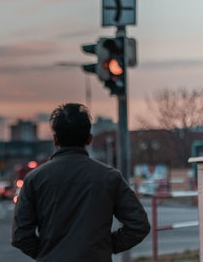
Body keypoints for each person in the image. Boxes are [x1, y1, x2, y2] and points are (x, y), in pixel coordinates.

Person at [11, 103, 150, 262]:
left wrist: (47, 254)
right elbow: (139, 225)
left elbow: (20, 236)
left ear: (55, 139)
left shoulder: (34, 180)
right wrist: (104, 248)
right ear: (89, 139)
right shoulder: (110, 177)